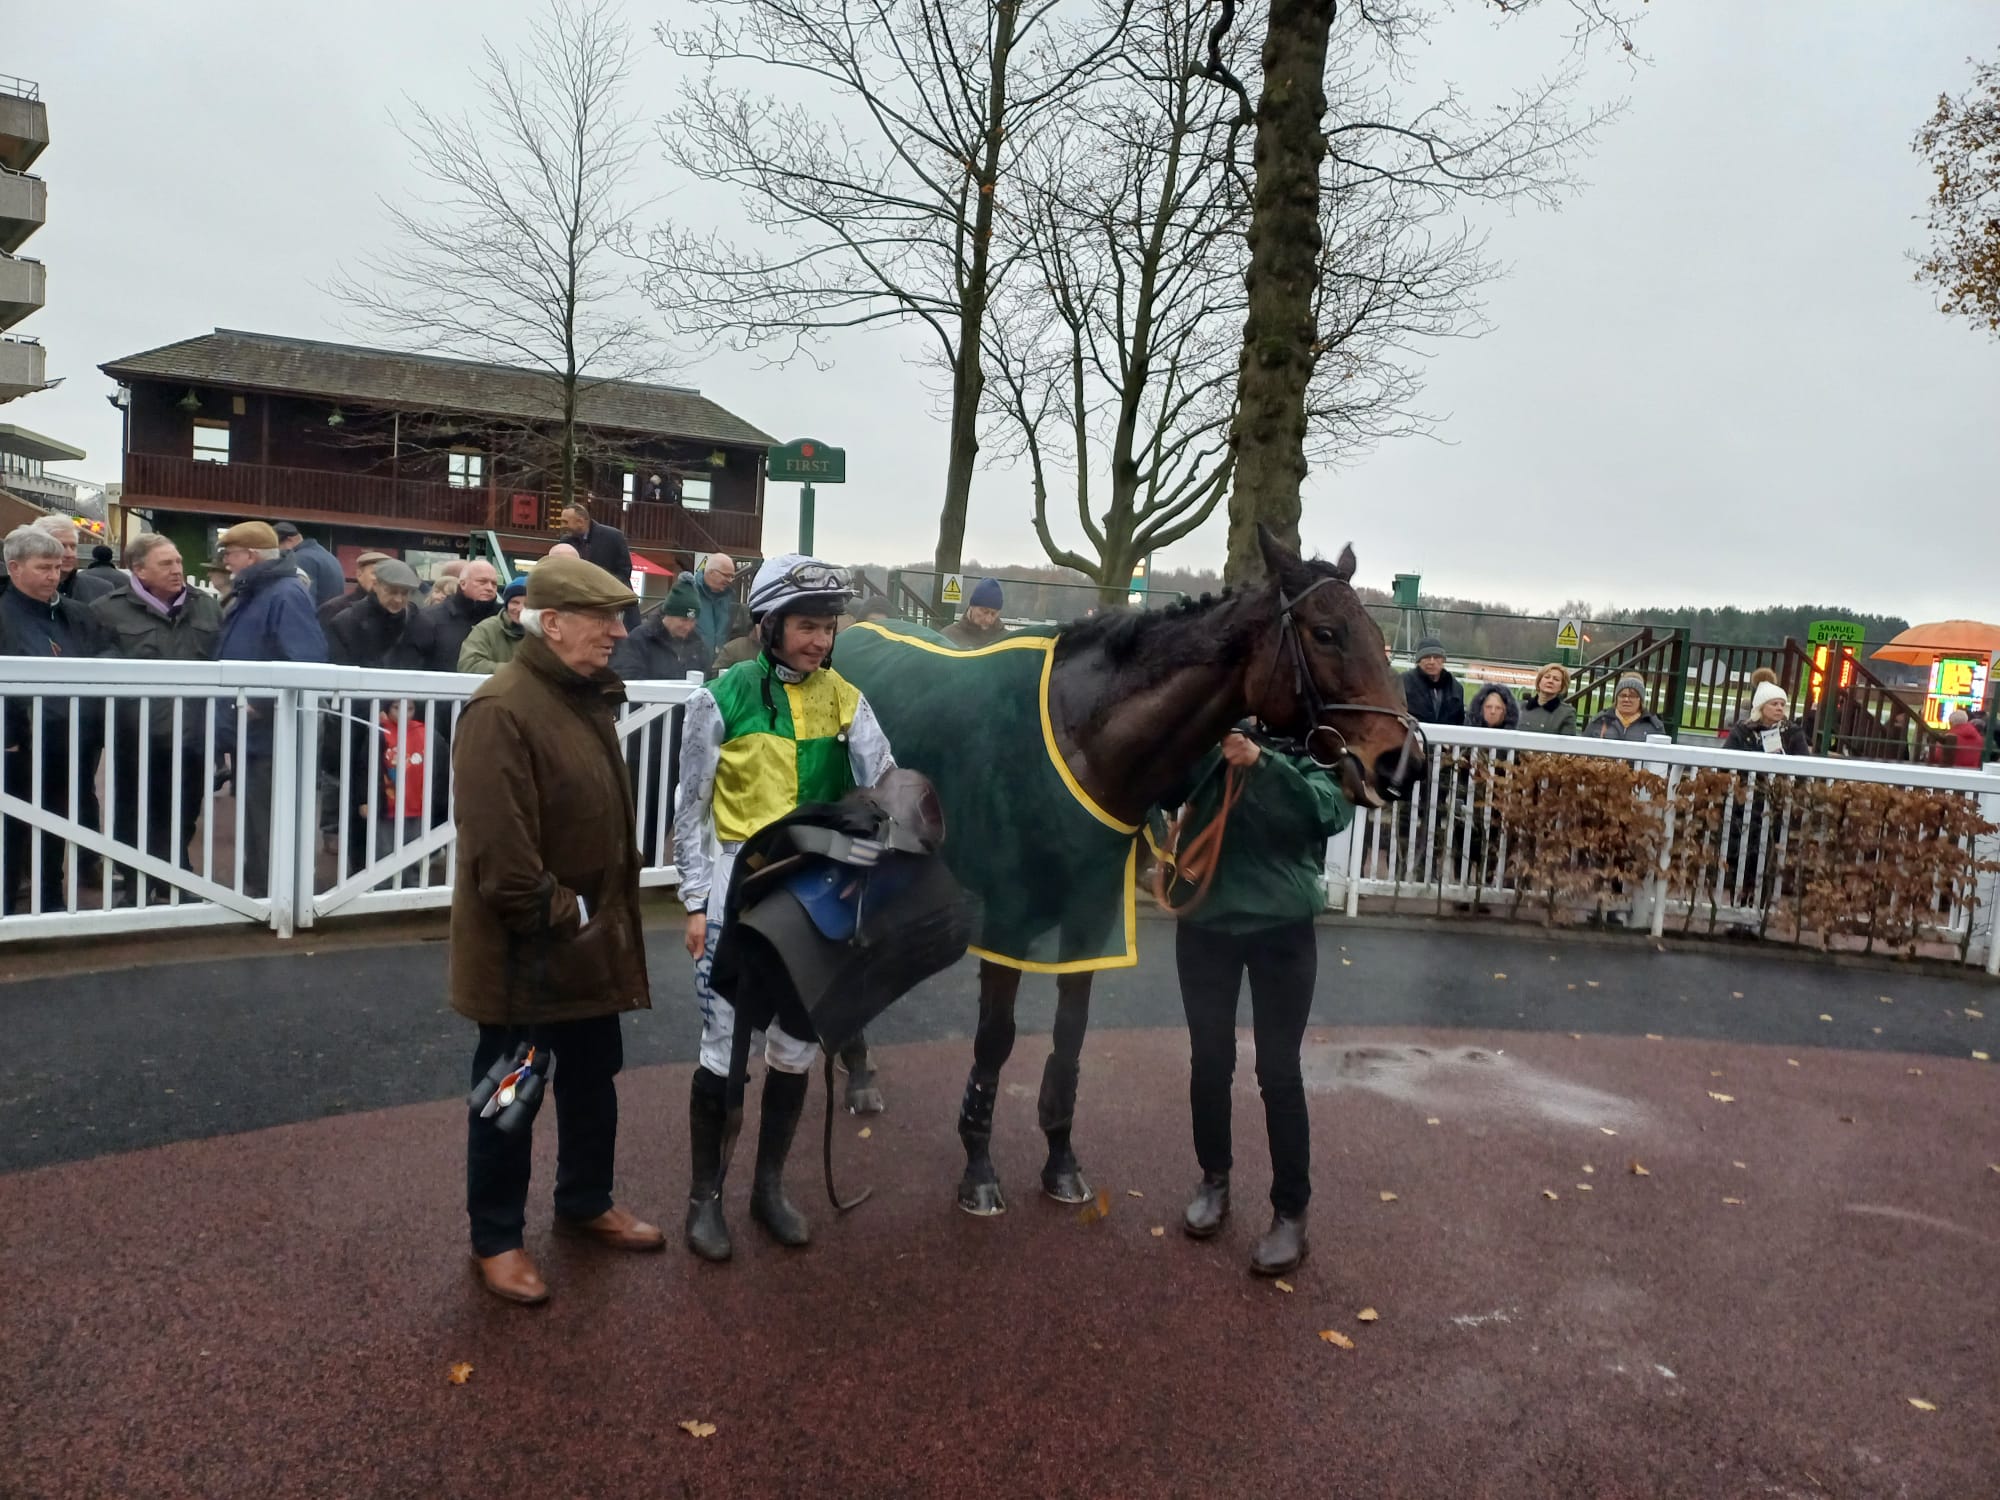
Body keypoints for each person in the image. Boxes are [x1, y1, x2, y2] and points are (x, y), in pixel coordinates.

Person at [450, 556, 663, 1306]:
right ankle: (496, 1239)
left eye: (620, 617)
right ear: (554, 623)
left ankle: (583, 1202)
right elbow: (501, 863)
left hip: (588, 947)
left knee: (592, 1082)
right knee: (510, 1095)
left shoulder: (582, 697)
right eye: (603, 619)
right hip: (528, 957)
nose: (618, 632)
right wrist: (570, 913)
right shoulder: (503, 708)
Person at [672, 553, 897, 1263]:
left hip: (816, 900)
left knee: (796, 1049)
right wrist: (692, 902)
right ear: (769, 624)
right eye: (807, 626)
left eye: (828, 628)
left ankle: (768, 1189)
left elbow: (886, 787)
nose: (820, 642)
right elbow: (690, 806)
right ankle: (704, 1199)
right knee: (722, 1052)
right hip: (738, 895)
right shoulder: (722, 696)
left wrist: (877, 839)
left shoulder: (849, 700)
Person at [1165, 723, 1353, 1276]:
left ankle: (1291, 1213)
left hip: (1282, 928)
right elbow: (1157, 784)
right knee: (1209, 1060)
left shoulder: (1314, 737)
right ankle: (1214, 1180)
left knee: (1278, 1071)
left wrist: (1262, 762)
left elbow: (1327, 812)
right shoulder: (1205, 727)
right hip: (1205, 920)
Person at [91, 534, 223, 903]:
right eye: (166, 564)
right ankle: (137, 884)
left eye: (178, 561)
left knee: (185, 811)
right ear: (139, 570)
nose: (177, 569)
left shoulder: (207, 608)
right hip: (137, 734)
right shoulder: (106, 610)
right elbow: (98, 663)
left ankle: (173, 877)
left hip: (195, 733)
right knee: (134, 812)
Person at [211, 521, 327, 898]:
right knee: (257, 815)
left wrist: (260, 703)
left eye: (230, 554)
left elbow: (305, 661)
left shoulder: (283, 593)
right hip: (257, 730)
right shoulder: (261, 591)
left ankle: (273, 894)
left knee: (268, 816)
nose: (226, 562)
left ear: (251, 555)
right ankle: (264, 890)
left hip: (272, 731)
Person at [0, 526, 107, 913]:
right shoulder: (4, 614)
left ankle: (50, 902)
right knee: (10, 829)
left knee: (56, 825)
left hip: (69, 741)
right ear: (14, 568)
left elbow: (105, 656)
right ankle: (7, 906)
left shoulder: (77, 615)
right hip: (17, 746)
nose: (53, 575)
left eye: (57, 567)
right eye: (43, 567)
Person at [611, 574, 709, 682]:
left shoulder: (698, 645)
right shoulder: (640, 640)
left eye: (693, 621)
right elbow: (626, 677)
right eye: (683, 620)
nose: (688, 626)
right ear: (668, 614)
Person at [559, 503, 637, 628]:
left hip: (613, 604)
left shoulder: (613, 537)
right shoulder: (565, 542)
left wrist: (601, 587)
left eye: (565, 522)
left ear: (580, 522)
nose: (562, 526)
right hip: (580, 606)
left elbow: (624, 571)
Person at [427, 561, 501, 673]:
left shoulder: (504, 619)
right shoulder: (431, 618)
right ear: (463, 584)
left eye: (494, 584)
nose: (490, 588)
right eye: (482, 582)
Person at [31, 516, 117, 606]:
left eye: (73, 547)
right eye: (61, 546)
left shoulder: (101, 589)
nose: (70, 554)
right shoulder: (24, 589)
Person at [1723, 682, 1810, 757]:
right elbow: (1725, 760)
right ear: (1761, 707)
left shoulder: (1793, 732)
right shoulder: (1742, 730)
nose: (1779, 708)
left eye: (1782, 704)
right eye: (1774, 704)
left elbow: (1804, 764)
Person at [460, 579, 527, 674]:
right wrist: (514, 671)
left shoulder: (547, 632)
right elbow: (469, 665)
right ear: (506, 604)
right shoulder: (486, 629)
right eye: (514, 602)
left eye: (528, 604)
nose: (520, 609)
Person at [1401, 635, 1465, 726]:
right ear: (1419, 661)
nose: (1432, 662)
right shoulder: (1404, 683)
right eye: (1427, 657)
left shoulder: (1456, 688)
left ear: (1443, 660)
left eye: (1436, 657)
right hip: (1413, 736)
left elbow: (1460, 721)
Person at [275, 522, 345, 605]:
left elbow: (301, 600)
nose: (277, 552)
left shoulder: (300, 559)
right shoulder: (325, 554)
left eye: (277, 546)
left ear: (290, 540)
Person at [318, 551, 390, 631]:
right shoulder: (334, 609)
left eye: (385, 574)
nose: (380, 578)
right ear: (359, 575)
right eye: (375, 573)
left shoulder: (394, 612)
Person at [1584, 674, 1668, 742]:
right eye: (1622, 695)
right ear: (1616, 698)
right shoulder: (1599, 721)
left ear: (1640, 699)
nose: (1626, 699)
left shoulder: (1654, 727)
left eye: (1632, 696)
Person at [691, 553, 742, 655]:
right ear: (711, 572)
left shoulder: (731, 598)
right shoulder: (689, 592)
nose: (730, 580)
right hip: (692, 665)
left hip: (720, 664)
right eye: (726, 575)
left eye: (732, 576)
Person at [943, 577, 1007, 648]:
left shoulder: (1006, 641)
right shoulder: (948, 637)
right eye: (984, 612)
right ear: (971, 607)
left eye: (994, 614)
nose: (988, 619)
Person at [1518, 663, 1577, 735]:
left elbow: (1567, 744)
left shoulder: (1567, 713)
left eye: (1556, 679)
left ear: (1562, 686)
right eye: (1547, 677)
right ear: (1539, 681)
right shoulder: (1520, 707)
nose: (1550, 681)